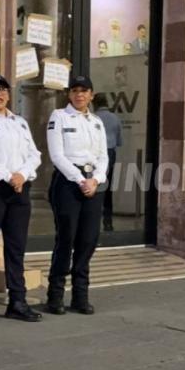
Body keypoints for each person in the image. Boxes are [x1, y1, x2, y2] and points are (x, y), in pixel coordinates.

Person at [0, 73, 42, 323]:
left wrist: (22, 175)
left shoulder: (20, 122)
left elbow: (34, 154)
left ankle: (17, 301)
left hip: (19, 189)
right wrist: (9, 176)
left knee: (16, 249)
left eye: (3, 89)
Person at [46, 75, 108, 315]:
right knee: (66, 238)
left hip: (93, 183)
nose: (79, 95)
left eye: (84, 91)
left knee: (88, 240)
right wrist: (81, 180)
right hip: (68, 183)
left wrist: (96, 179)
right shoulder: (59, 117)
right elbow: (57, 155)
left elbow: (103, 156)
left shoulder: (96, 122)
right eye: (75, 90)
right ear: (69, 94)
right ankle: (56, 295)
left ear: (91, 95)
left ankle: (80, 295)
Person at [92, 93, 123, 232]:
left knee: (94, 186)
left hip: (95, 155)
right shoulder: (115, 118)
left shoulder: (92, 118)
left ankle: (92, 219)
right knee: (108, 187)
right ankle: (108, 221)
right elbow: (119, 141)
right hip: (110, 153)